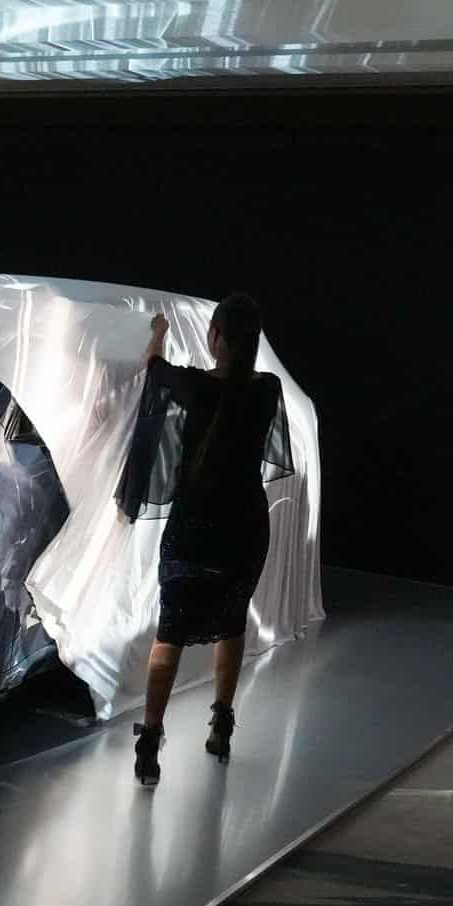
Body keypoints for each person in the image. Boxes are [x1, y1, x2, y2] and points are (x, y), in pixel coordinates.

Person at [117, 294, 294, 783]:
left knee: (170, 632)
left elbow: (155, 368)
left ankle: (150, 743)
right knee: (232, 622)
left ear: (216, 337)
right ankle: (221, 726)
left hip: (194, 525)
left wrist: (158, 332)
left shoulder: (193, 386)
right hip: (245, 528)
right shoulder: (269, 390)